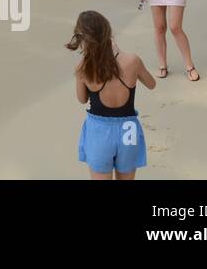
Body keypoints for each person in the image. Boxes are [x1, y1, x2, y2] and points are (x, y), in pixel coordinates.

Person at [67, 10, 156, 180]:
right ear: (108, 32)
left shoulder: (83, 68)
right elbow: (151, 84)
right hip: (128, 131)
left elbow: (82, 99)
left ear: (82, 38)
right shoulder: (132, 61)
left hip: (99, 132)